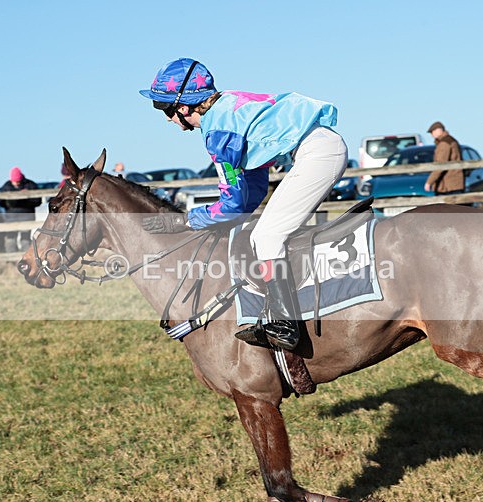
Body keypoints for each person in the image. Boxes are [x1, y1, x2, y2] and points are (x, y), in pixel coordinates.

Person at [139, 57, 348, 351]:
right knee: (263, 232)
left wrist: (187, 220)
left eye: (163, 108)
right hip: (320, 147)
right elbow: (255, 186)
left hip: (318, 153)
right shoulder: (225, 111)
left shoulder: (218, 133)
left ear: (183, 107)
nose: (166, 118)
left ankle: (285, 327)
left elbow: (233, 204)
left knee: (266, 236)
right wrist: (223, 218)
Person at [0, 166, 40, 252]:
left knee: (25, 239)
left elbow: (37, 201)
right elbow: (0, 202)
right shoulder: (6, 187)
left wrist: (26, 198)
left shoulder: (30, 185)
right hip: (11, 218)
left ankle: (25, 257)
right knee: (11, 239)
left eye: (18, 181)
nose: (16, 183)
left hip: (26, 216)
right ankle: (11, 258)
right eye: (14, 181)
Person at [424, 121, 464, 194]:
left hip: (447, 185)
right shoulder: (452, 140)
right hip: (455, 182)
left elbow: (440, 165)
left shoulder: (444, 144)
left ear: (439, 130)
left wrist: (429, 182)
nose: (431, 134)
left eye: (432, 132)